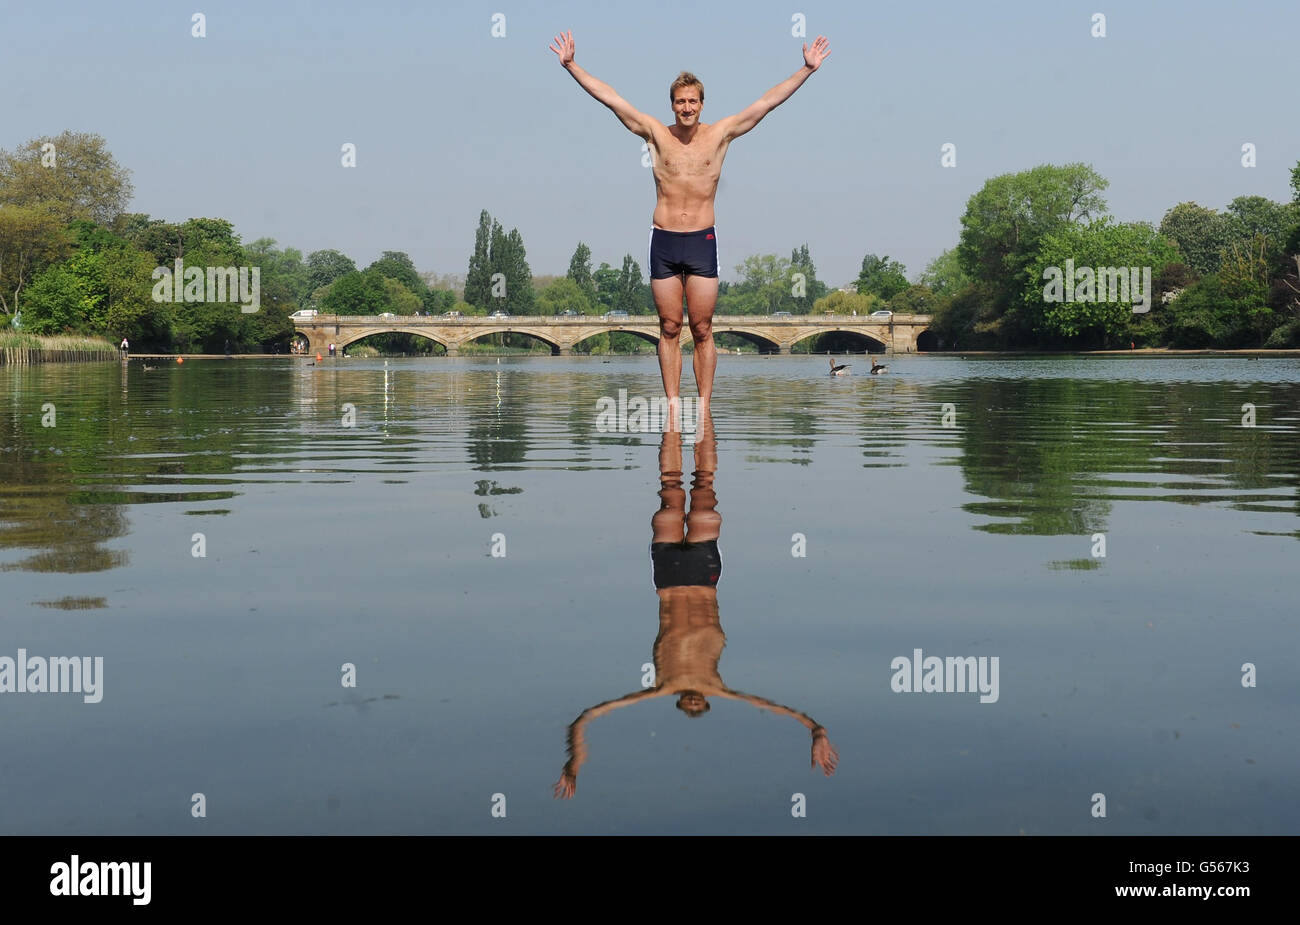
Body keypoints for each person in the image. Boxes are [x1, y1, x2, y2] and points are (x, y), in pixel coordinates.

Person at [553, 413, 839, 799]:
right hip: (704, 580)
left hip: (669, 581)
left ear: (680, 704)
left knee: (670, 488)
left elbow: (587, 717)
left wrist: (574, 761)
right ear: (704, 703)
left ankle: (676, 417)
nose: (692, 701)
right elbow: (770, 705)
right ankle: (701, 411)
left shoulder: (658, 686)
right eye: (698, 704)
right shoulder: (718, 687)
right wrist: (813, 727)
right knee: (704, 486)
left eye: (687, 704)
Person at [551, 30, 831, 415]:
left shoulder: (720, 135)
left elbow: (766, 103)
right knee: (668, 327)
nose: (686, 107)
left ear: (702, 104)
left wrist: (807, 69)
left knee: (701, 328)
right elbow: (610, 97)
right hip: (664, 240)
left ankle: (703, 407)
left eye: (692, 101)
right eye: (680, 101)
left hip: (701, 240)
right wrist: (570, 66)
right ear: (672, 105)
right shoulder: (655, 134)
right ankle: (671, 406)